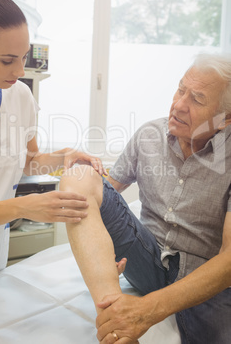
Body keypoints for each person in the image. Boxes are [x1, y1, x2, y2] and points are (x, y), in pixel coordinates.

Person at [60, 53, 231, 344]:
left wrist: (147, 310)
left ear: (225, 120)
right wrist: (96, 251)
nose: (178, 105)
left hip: (203, 276)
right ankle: (118, 329)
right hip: (145, 257)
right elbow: (99, 195)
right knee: (79, 176)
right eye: (180, 89)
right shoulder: (149, 135)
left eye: (197, 100)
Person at [0, 0, 108, 283]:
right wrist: (22, 207)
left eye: (24, 57)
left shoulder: (20, 96)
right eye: (7, 60)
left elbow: (27, 161)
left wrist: (61, 157)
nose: (20, 70)